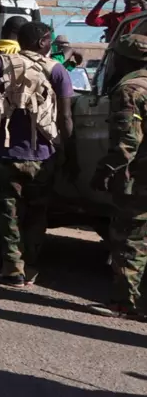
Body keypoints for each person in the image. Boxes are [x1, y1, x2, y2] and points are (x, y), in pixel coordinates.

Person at [0, 20, 74, 287]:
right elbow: (65, 117)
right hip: (43, 155)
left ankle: (12, 269)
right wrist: (66, 150)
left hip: (4, 153)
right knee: (37, 213)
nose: (50, 45)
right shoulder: (57, 70)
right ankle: (30, 266)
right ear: (42, 42)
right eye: (48, 40)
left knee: (9, 212)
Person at [90, 33, 147, 320]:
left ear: (124, 59)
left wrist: (105, 170)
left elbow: (127, 142)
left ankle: (126, 303)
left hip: (139, 179)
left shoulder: (130, 90)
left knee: (129, 238)